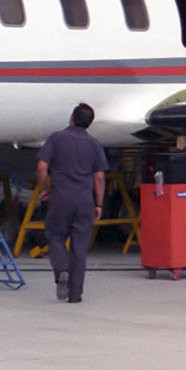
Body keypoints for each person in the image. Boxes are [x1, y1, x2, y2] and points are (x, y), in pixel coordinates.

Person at [37, 102, 108, 303]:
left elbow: (42, 167)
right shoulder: (94, 144)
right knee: (79, 247)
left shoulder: (56, 138)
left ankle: (61, 271)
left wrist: (44, 189)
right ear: (89, 124)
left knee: (56, 237)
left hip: (60, 199)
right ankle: (75, 295)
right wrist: (99, 204)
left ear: (71, 118)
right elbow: (99, 178)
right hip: (84, 200)